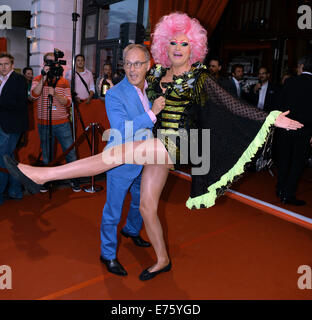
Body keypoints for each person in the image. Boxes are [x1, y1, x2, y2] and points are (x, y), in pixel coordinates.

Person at [4, 13, 303, 281]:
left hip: (182, 143)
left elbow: (233, 106)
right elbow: (138, 96)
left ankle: (43, 175)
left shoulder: (200, 78)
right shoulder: (158, 74)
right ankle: (163, 260)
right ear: (163, 46)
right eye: (172, 41)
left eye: (184, 44)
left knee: (115, 154)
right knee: (147, 206)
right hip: (157, 143)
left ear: (194, 48)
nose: (177, 48)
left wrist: (271, 118)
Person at [100, 44, 165, 277]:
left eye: (137, 63)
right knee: (113, 211)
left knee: (140, 203)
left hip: (145, 160)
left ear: (148, 65)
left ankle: (131, 230)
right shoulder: (115, 93)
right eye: (127, 63)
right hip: (121, 161)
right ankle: (107, 254)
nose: (132, 69)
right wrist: (152, 114)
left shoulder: (153, 89)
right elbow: (121, 129)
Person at [30, 51, 81, 192]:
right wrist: (43, 79)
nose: (53, 65)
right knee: (47, 154)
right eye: (50, 62)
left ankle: (74, 179)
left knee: (70, 153)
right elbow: (34, 95)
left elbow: (68, 102)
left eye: (55, 62)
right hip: (44, 123)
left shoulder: (64, 81)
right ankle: (47, 181)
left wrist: (56, 94)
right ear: (45, 63)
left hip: (62, 123)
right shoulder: (38, 78)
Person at [275, 55, 312, 205]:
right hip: (305, 130)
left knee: (284, 160)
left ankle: (279, 189)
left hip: (286, 127)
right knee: (297, 163)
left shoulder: (290, 81)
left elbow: (281, 104)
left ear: (302, 66)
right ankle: (288, 194)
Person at [0, 53, 28, 205]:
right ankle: (15, 191)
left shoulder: (19, 79)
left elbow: (20, 103)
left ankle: (2, 192)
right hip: (4, 124)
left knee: (2, 157)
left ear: (12, 65)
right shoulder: (2, 80)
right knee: (9, 158)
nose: (2, 67)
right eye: (0, 64)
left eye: (5, 64)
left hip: (12, 126)